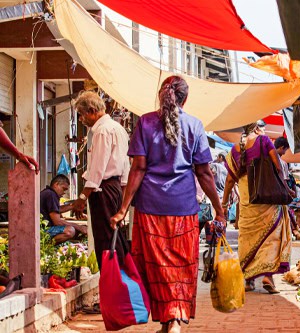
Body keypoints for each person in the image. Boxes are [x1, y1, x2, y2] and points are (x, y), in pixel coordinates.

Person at [110, 76, 225, 333]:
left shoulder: (145, 122)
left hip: (149, 209)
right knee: (181, 266)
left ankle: (168, 319)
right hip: (183, 209)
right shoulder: (195, 125)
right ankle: (173, 318)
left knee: (156, 267)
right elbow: (205, 173)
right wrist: (219, 209)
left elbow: (137, 169)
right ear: (185, 98)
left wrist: (122, 209)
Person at [222, 122, 293, 294]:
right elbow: (277, 165)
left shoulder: (234, 150)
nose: (264, 130)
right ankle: (268, 276)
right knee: (272, 236)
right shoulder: (264, 141)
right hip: (266, 196)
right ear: (255, 128)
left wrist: (224, 203)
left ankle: (248, 279)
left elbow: (230, 180)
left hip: (247, 200)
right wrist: (285, 186)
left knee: (247, 238)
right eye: (262, 126)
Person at [71, 91, 130, 269]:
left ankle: (113, 280)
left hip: (103, 190)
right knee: (114, 236)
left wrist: (82, 198)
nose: (81, 120)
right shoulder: (117, 128)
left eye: (81, 115)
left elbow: (97, 169)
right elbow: (125, 166)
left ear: (90, 110)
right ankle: (120, 279)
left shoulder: (102, 131)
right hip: (115, 188)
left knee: (105, 239)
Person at [40, 174, 87, 244]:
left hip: (43, 229)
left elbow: (57, 209)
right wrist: (79, 227)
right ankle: (46, 245)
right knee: (70, 231)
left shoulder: (48, 193)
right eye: (63, 189)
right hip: (42, 231)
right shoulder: (51, 194)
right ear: (56, 184)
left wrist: (74, 205)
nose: (63, 193)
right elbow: (57, 222)